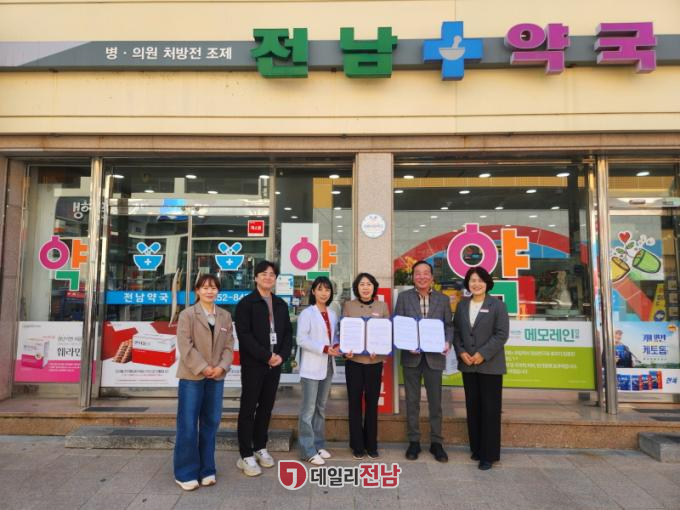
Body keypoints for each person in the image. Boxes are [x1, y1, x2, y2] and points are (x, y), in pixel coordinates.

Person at [174, 274, 235, 491]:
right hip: (192, 376)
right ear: (197, 291)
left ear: (218, 291)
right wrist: (203, 367)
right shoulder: (187, 314)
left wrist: (221, 367)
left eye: (214, 288)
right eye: (205, 287)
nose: (210, 291)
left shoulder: (225, 316)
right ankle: (185, 473)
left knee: (211, 423)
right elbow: (185, 345)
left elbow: (229, 346)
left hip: (216, 377)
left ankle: (207, 469)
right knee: (188, 424)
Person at [235, 260, 293, 476]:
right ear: (256, 277)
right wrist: (266, 356)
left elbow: (287, 334)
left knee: (266, 407)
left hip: (274, 365)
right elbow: (244, 336)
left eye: (272, 274)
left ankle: (260, 446)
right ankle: (246, 454)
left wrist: (281, 356)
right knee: (248, 408)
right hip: (254, 365)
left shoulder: (280, 304)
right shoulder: (246, 303)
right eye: (264, 274)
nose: (268, 277)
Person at [394, 260, 453, 463]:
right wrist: (405, 343)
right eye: (417, 273)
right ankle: (414, 441)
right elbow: (398, 325)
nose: (422, 276)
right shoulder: (404, 298)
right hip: (411, 357)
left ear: (432, 277)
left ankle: (437, 442)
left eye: (425, 273)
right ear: (413, 277)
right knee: (412, 402)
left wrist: (447, 341)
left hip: (434, 357)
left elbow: (449, 325)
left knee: (435, 402)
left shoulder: (443, 299)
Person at [453, 267, 509, 471]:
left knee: (490, 410)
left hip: (490, 365)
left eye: (480, 280)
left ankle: (489, 454)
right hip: (468, 365)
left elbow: (501, 334)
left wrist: (482, 354)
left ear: (487, 283)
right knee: (473, 407)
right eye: (472, 280)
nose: (476, 284)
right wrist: (461, 352)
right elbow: (456, 332)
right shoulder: (462, 305)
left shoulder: (498, 305)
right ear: (467, 284)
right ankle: (476, 448)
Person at [342, 272, 391, 459]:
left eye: (369, 284)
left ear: (374, 287)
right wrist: (346, 350)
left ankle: (371, 444)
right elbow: (344, 332)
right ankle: (357, 445)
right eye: (362, 284)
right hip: (354, 362)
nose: (365, 287)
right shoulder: (349, 305)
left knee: (372, 404)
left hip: (373, 362)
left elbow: (386, 334)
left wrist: (379, 349)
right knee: (354, 403)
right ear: (357, 287)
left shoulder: (382, 306)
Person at [297, 276, 340, 465]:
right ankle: (307, 450)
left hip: (328, 365)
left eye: (327, 289)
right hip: (311, 367)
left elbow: (334, 336)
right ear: (313, 291)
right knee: (308, 410)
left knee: (321, 408)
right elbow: (301, 339)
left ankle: (318, 444)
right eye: (320, 289)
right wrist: (323, 348)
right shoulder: (307, 313)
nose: (324, 293)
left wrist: (336, 345)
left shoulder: (332, 313)